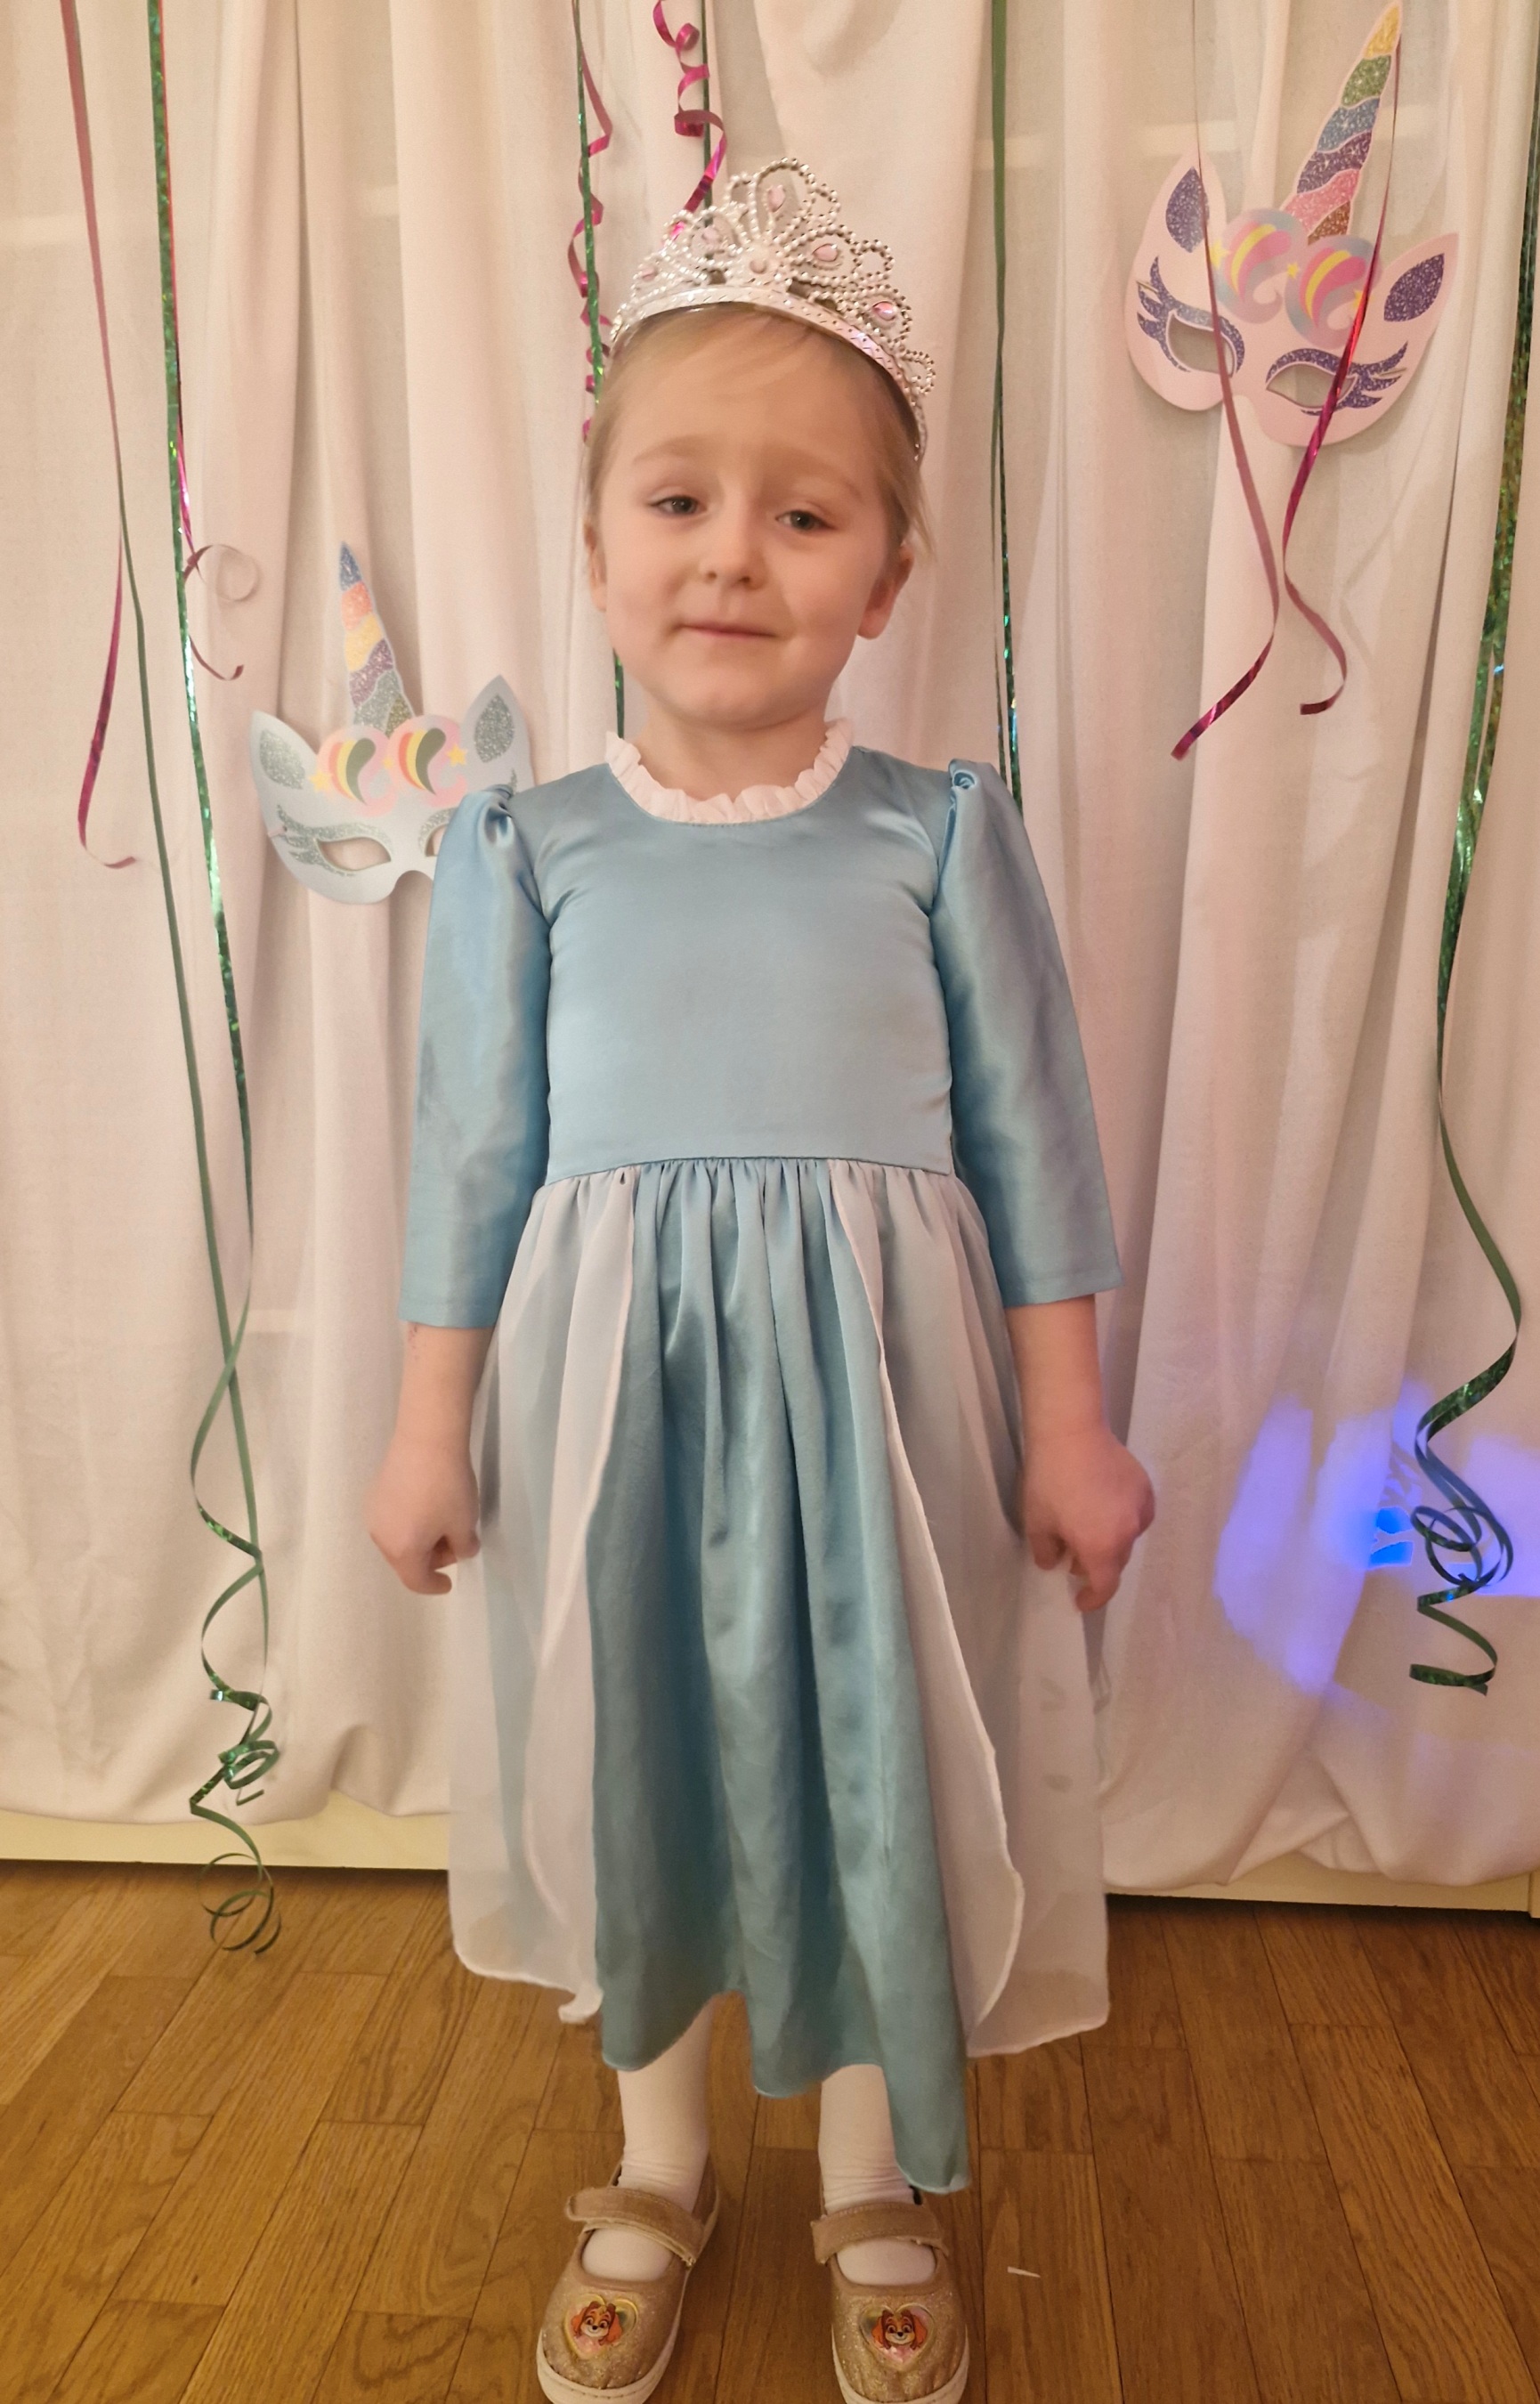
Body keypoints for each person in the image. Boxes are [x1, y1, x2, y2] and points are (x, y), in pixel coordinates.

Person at [369, 159, 1153, 2404]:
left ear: (886, 573)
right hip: (613, 1399)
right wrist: (428, 1424)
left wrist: (1072, 1427)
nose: (733, 555)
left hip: (887, 1407)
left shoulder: (935, 832)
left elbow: (1033, 1146)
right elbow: (472, 1156)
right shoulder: (528, 850)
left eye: (803, 517)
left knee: (870, 1762)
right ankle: (656, 2161)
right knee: (647, 1766)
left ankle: (872, 2182)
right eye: (680, 501)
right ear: (595, 537)